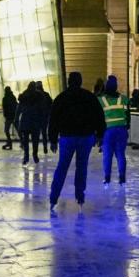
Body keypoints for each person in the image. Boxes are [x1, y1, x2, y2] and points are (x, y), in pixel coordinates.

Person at [47, 71, 103, 211]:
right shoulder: (89, 97)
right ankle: (80, 196)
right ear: (80, 81)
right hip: (85, 137)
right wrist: (99, 135)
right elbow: (99, 116)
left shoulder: (61, 98)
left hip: (67, 137)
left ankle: (54, 197)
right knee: (81, 167)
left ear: (68, 82)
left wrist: (53, 139)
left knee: (62, 167)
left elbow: (53, 119)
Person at [99, 75, 130, 184]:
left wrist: (98, 134)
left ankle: (107, 178)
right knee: (120, 154)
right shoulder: (124, 99)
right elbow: (128, 115)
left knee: (107, 155)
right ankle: (122, 178)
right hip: (122, 130)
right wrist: (126, 127)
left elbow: (99, 118)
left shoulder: (101, 100)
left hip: (108, 131)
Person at [17, 82, 46, 165]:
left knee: (26, 140)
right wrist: (43, 119)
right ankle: (35, 155)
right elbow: (42, 109)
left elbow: (19, 108)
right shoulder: (39, 96)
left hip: (26, 121)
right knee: (35, 140)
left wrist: (17, 118)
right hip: (35, 122)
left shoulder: (24, 96)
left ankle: (26, 156)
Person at [38, 82, 54, 152]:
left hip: (38, 117)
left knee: (38, 133)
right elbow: (51, 105)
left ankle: (38, 148)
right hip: (45, 116)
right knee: (44, 132)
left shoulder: (35, 96)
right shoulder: (46, 94)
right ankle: (45, 146)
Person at [1, 86, 18, 150]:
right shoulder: (13, 97)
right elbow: (16, 105)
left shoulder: (5, 98)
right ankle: (23, 143)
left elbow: (4, 108)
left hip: (8, 117)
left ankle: (9, 142)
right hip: (14, 116)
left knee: (6, 130)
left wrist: (5, 115)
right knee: (18, 130)